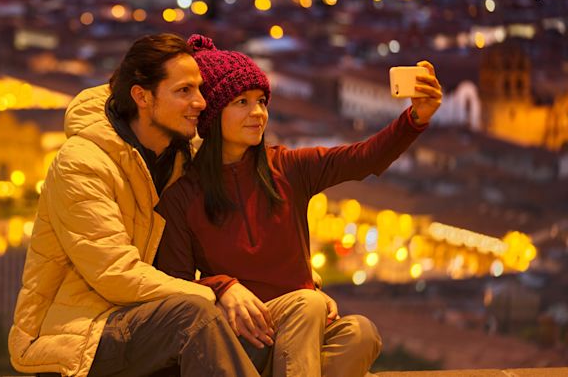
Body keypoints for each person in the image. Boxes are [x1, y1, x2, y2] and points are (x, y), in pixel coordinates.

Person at [156, 34, 443, 377]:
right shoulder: (183, 196)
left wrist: (415, 118)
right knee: (308, 304)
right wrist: (221, 287)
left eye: (262, 101)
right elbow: (174, 286)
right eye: (242, 103)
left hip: (303, 328)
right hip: (240, 337)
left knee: (361, 334)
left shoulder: (288, 168)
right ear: (212, 114)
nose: (258, 113)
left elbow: (362, 158)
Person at [8, 33, 263, 377]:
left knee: (269, 325)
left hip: (141, 317)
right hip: (79, 333)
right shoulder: (82, 163)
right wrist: (215, 293)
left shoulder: (180, 158)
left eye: (199, 89)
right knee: (194, 315)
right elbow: (117, 275)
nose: (201, 102)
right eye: (184, 91)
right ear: (142, 97)